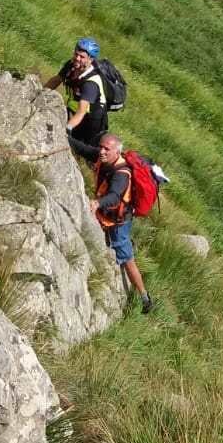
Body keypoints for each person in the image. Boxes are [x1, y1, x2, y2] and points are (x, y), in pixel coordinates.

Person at [94, 134, 153, 315]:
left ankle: (145, 297)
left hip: (118, 223)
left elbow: (114, 196)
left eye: (106, 149)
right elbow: (86, 150)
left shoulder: (121, 174)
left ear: (116, 151)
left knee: (127, 260)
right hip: (112, 216)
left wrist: (97, 203)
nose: (101, 151)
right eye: (101, 147)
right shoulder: (107, 159)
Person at [44, 38, 109, 160]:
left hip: (92, 120)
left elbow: (81, 111)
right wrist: (41, 93)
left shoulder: (91, 83)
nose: (77, 59)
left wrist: (68, 128)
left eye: (82, 57)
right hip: (74, 111)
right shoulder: (71, 65)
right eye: (76, 54)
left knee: (84, 151)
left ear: (90, 59)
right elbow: (56, 80)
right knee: (70, 143)